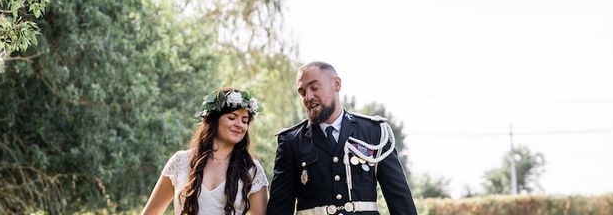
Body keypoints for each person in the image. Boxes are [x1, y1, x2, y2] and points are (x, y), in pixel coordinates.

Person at [267, 62, 417, 215]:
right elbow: (279, 209)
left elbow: (400, 201)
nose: (308, 97)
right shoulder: (291, 141)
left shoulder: (374, 132)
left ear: (336, 84)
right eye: (302, 92)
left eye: (314, 87)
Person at [142, 88, 269, 215]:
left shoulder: (252, 170)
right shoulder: (181, 161)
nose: (239, 125)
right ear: (214, 119)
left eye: (244, 121)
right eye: (232, 117)